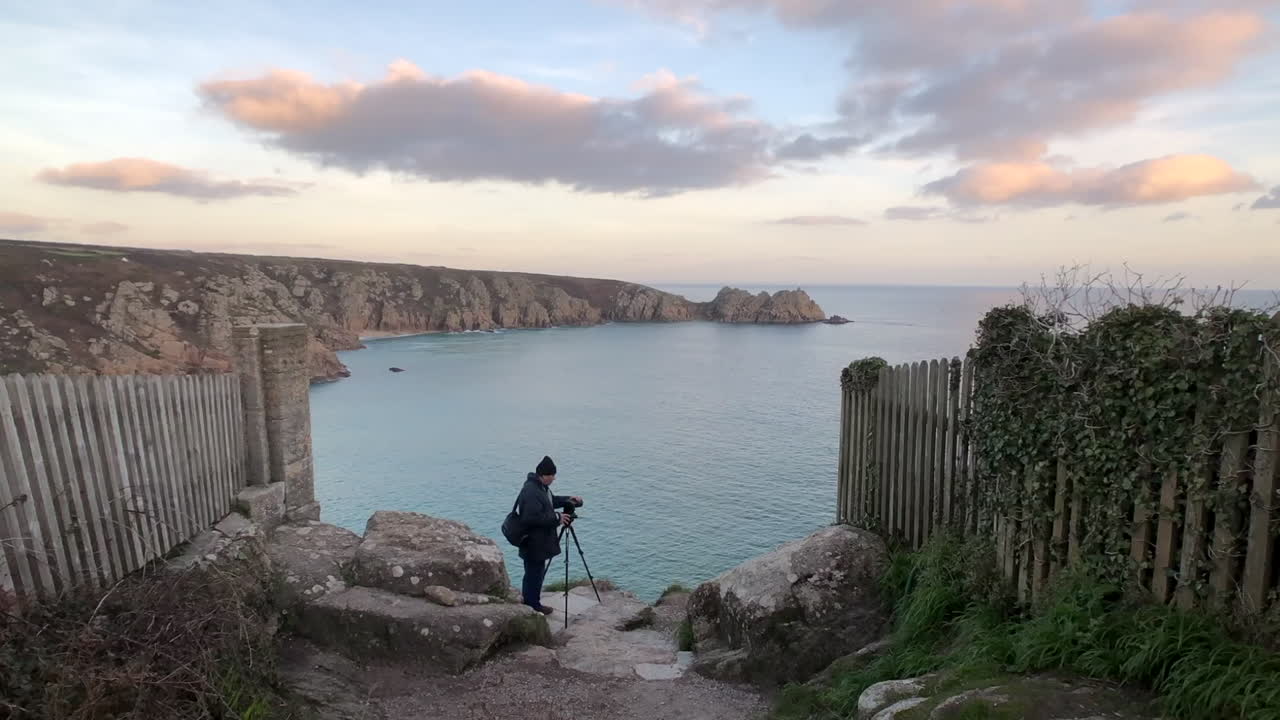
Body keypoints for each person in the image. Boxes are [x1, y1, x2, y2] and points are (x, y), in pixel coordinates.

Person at [516, 455, 582, 614]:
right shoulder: (531, 491)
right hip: (533, 543)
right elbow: (530, 518)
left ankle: (531, 603)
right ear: (543, 475)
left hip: (539, 542)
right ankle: (532, 606)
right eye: (552, 475)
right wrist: (558, 518)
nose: (554, 478)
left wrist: (568, 499)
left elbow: (550, 501)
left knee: (535, 573)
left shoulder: (540, 487)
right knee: (534, 575)